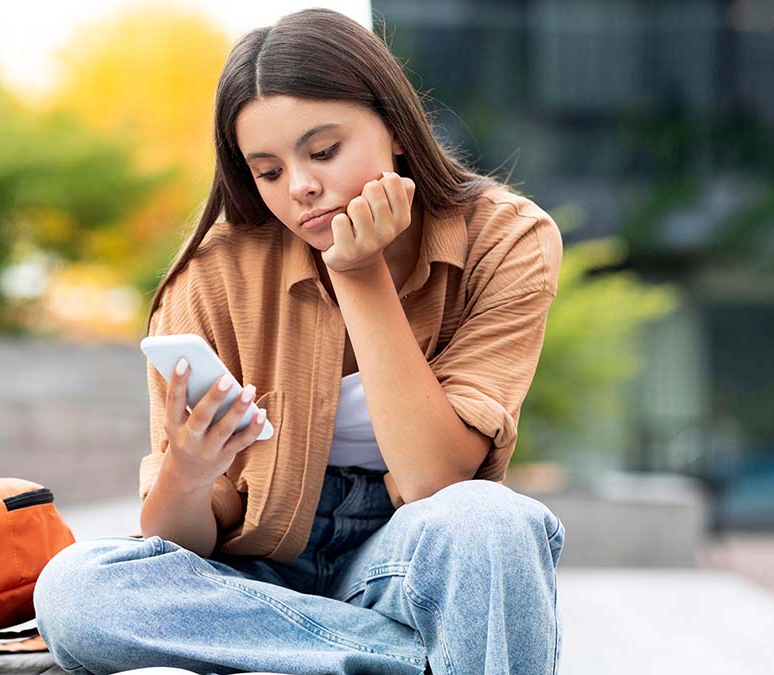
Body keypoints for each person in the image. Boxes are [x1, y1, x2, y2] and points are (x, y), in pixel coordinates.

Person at [34, 8, 565, 675]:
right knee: (78, 589)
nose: (301, 187)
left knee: (492, 523)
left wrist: (359, 273)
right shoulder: (212, 275)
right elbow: (181, 541)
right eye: (268, 171)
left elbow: (438, 481)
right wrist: (189, 475)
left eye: (322, 151)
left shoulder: (506, 239)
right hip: (257, 575)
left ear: (397, 128)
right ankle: (421, 659)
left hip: (407, 560)